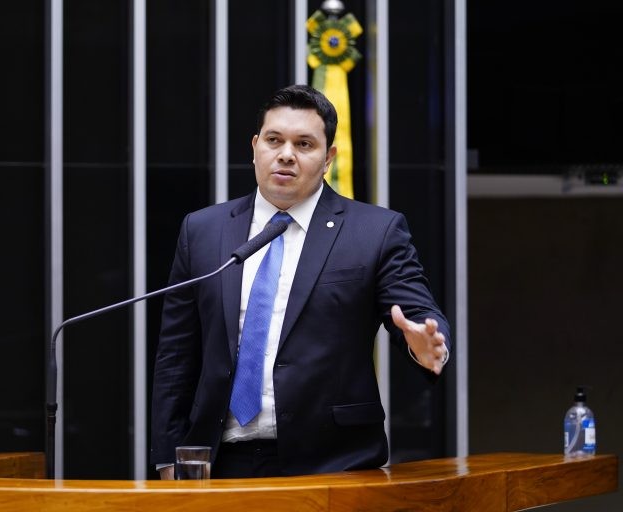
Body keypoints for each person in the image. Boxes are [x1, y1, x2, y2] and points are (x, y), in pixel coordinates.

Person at [150, 84, 450, 479]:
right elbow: (176, 354)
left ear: (328, 159)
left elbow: (416, 313)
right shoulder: (203, 230)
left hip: (334, 462)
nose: (286, 154)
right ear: (255, 146)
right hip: (220, 463)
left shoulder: (374, 231)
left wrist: (427, 346)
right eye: (274, 140)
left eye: (304, 144)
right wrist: (169, 456)